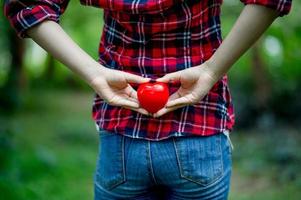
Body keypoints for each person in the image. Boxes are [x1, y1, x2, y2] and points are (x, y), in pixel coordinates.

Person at [4, 0, 292, 199]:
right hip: (200, 128)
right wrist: (210, 71)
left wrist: (95, 74)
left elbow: (27, 6)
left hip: (121, 137)